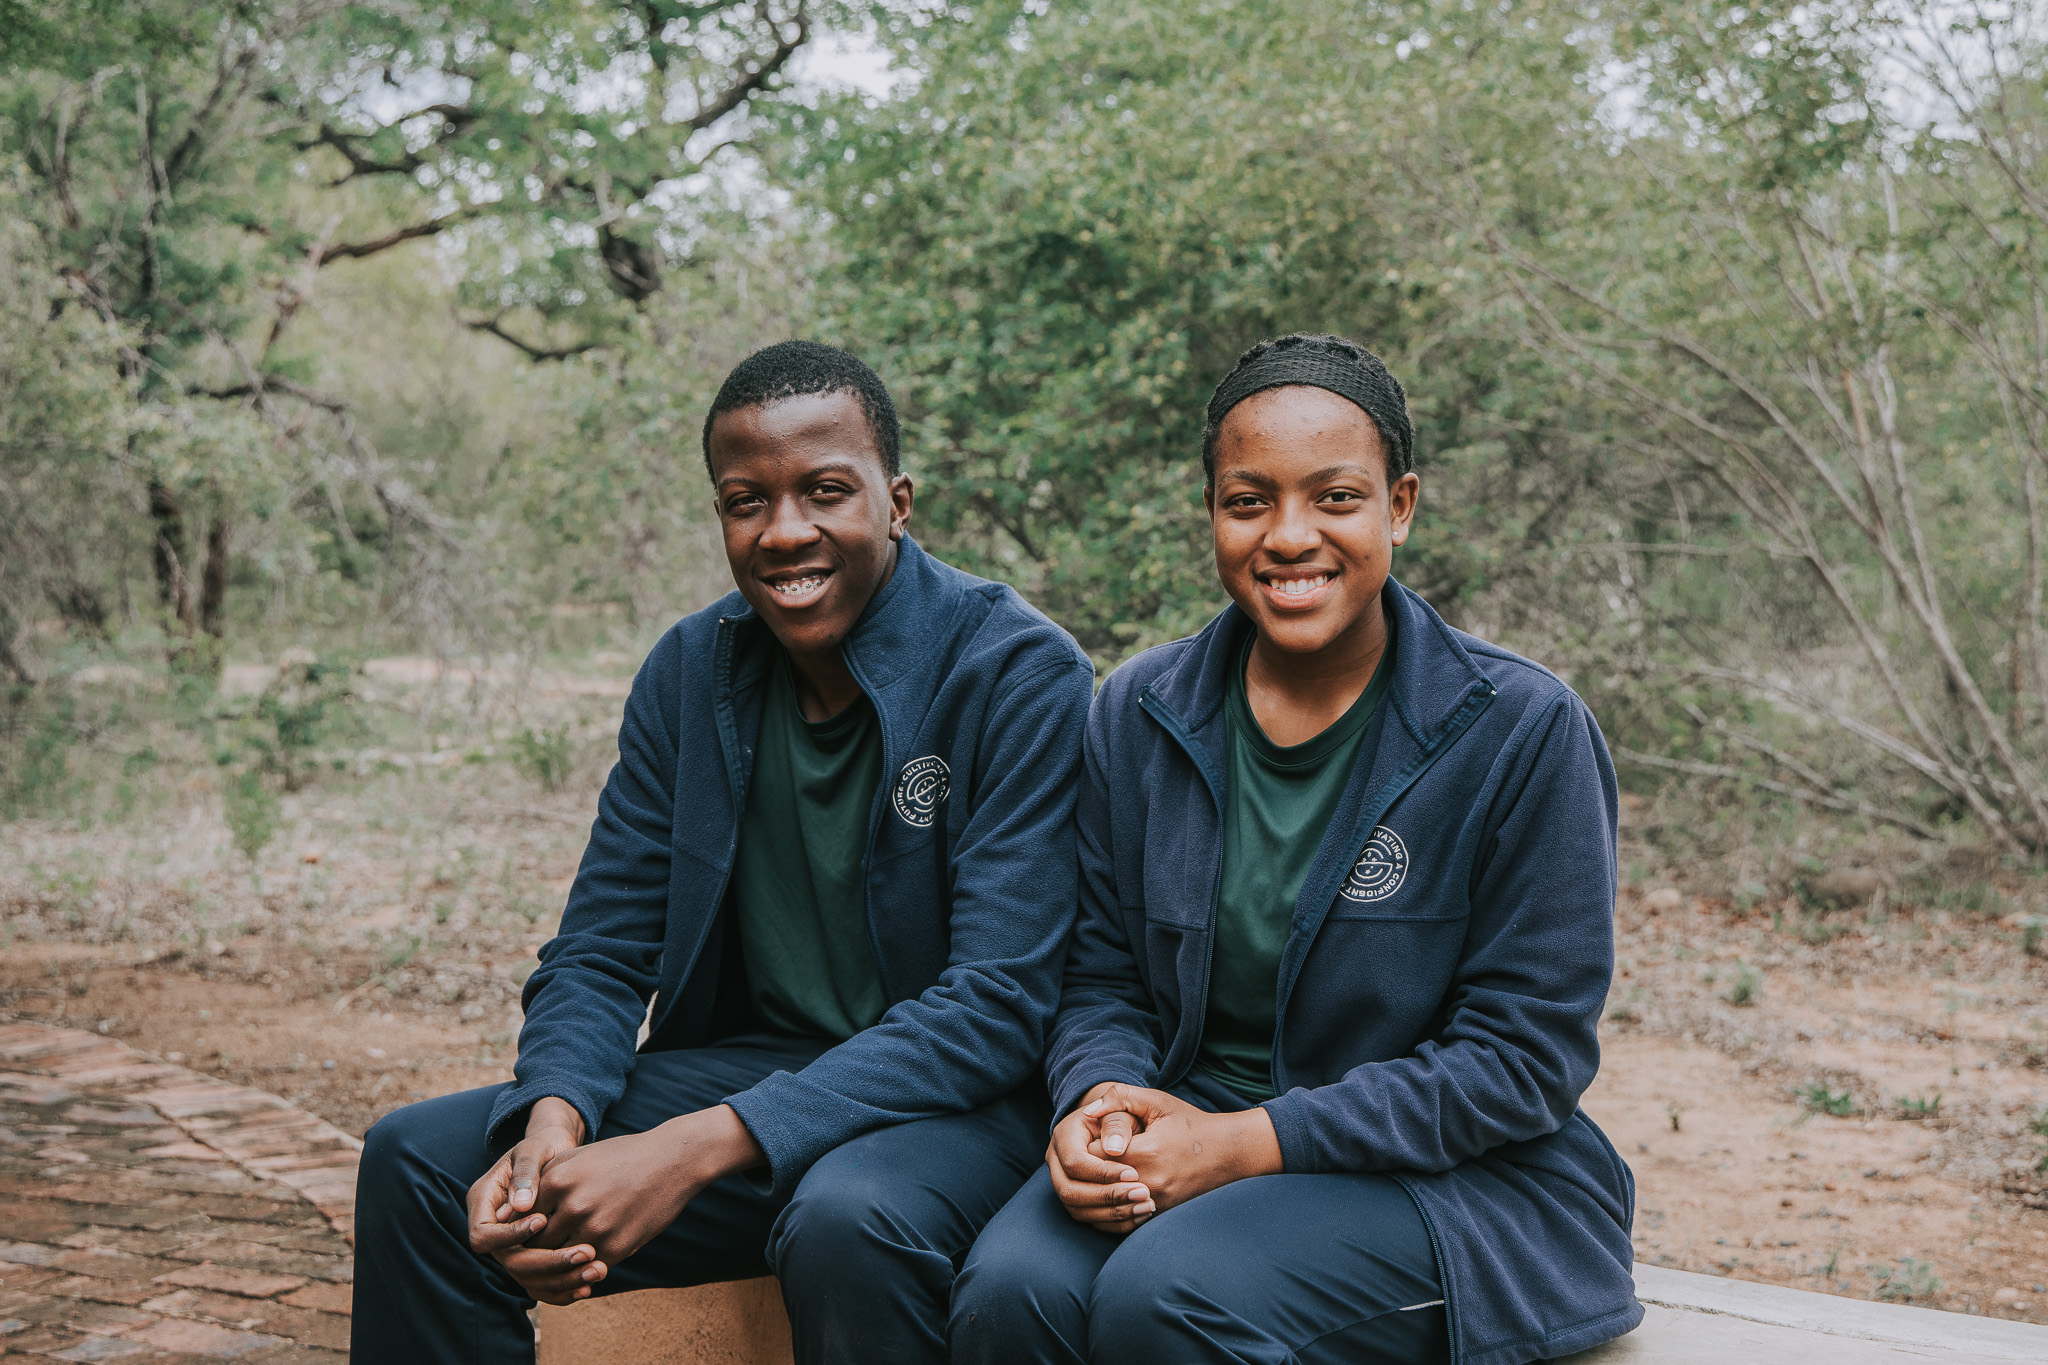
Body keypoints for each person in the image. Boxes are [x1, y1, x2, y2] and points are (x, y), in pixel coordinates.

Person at [350, 341, 1095, 1365]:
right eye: (747, 502)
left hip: (957, 1105)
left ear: (897, 501)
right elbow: (603, 948)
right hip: (753, 1082)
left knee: (850, 1215)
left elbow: (997, 1007)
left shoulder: (1012, 671)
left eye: (826, 491)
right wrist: (554, 1125)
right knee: (419, 1164)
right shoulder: (692, 670)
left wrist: (685, 1151)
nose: (785, 532)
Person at [950, 334, 1642, 1365]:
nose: (1287, 536)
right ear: (1211, 514)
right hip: (1187, 1126)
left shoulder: (1519, 729)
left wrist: (1239, 1147)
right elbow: (1097, 976)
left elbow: (1519, 1061)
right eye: (1246, 501)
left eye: (1334, 498)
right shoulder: (1139, 711)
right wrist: (1102, 1102)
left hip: (1448, 1179)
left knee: (1165, 1296)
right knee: (1011, 1291)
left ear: (1397, 506)